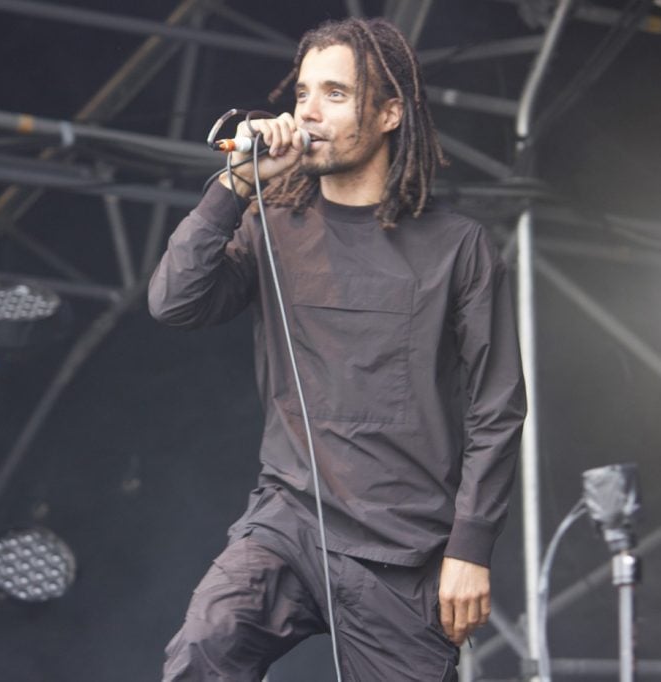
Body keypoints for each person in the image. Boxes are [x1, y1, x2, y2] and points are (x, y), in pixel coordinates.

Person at [148, 16, 526, 682]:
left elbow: (498, 409)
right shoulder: (272, 224)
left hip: (404, 552)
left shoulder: (459, 248)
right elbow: (174, 301)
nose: (309, 112)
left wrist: (470, 548)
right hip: (288, 524)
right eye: (302, 94)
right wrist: (237, 184)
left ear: (388, 113)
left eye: (335, 94)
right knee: (203, 651)